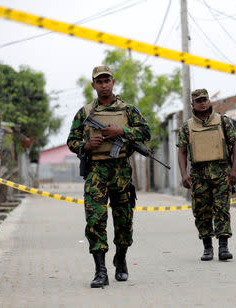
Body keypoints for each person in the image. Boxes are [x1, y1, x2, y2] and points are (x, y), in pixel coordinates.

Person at [67, 65, 150, 288]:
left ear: (113, 83)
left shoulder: (128, 110)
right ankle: (100, 270)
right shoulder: (85, 113)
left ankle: (120, 258)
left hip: (121, 171)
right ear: (93, 85)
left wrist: (122, 132)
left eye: (107, 81)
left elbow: (145, 131)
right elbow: (71, 141)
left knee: (124, 221)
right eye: (99, 82)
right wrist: (85, 146)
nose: (104, 85)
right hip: (96, 173)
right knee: (95, 221)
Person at [177, 88, 236, 261]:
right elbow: (182, 152)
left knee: (222, 209)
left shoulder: (222, 121)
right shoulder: (187, 127)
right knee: (201, 211)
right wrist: (183, 175)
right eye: (199, 100)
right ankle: (207, 247)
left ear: (209, 101)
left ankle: (223, 247)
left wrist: (234, 170)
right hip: (198, 175)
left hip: (221, 172)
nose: (203, 102)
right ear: (193, 104)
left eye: (205, 99)